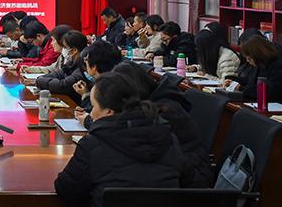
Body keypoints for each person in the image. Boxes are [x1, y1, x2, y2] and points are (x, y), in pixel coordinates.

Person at [54, 72, 185, 207]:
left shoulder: (92, 145)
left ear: (108, 112)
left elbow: (67, 191)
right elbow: (188, 185)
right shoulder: (168, 138)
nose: (91, 113)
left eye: (94, 106)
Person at [113, 62, 212, 188]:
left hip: (192, 181)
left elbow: (135, 141)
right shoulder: (155, 101)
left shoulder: (165, 111)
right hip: (175, 172)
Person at [225, 35, 282, 107]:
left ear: (257, 55)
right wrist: (232, 80)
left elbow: (269, 93)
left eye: (249, 58)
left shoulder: (279, 67)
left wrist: (241, 88)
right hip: (261, 104)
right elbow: (249, 81)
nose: (247, 61)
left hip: (280, 107)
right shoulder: (260, 65)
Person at [73, 41, 123, 125]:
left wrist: (87, 121)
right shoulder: (118, 80)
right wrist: (86, 111)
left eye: (86, 61)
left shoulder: (109, 87)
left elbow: (108, 121)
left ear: (93, 67)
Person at [35, 31, 89, 103]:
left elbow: (63, 86)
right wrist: (40, 79)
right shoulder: (71, 62)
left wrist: (40, 81)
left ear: (74, 50)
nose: (63, 49)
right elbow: (58, 73)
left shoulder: (83, 66)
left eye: (65, 47)